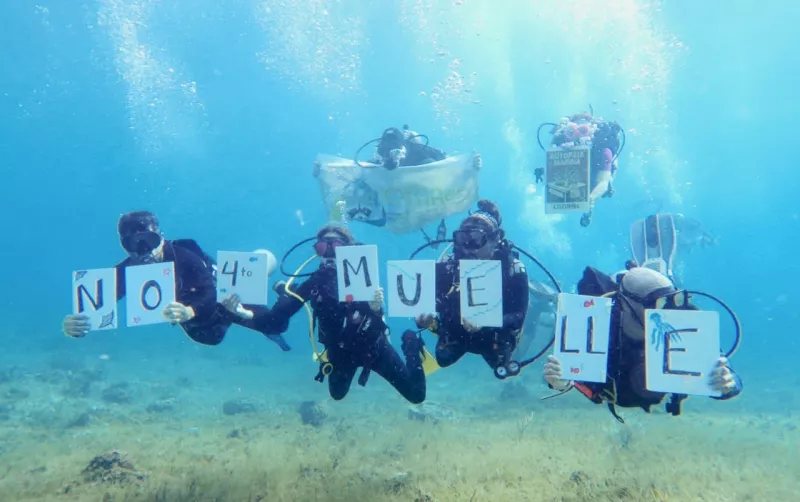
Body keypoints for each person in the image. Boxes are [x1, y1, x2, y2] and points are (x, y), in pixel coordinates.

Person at [223, 224, 427, 404]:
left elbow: (377, 322)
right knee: (337, 394)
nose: (329, 253)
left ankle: (410, 342)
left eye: (336, 246)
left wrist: (375, 308)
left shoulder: (362, 277)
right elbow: (275, 321)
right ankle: (285, 290)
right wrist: (242, 313)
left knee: (416, 395)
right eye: (323, 247)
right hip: (339, 350)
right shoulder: (314, 283)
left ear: (348, 250)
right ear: (317, 251)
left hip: (373, 346)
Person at [61, 211, 291, 351]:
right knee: (208, 336)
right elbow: (98, 302)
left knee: (274, 323)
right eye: (133, 245)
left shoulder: (184, 256)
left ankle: (285, 293)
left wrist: (190, 311)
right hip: (202, 328)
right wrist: (75, 325)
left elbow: (211, 292)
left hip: (223, 297)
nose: (144, 252)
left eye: (148, 241)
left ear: (160, 237)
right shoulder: (128, 269)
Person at [543, 266, 742, 421]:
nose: (667, 311)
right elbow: (579, 378)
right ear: (627, 304)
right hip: (619, 392)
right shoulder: (599, 323)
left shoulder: (681, 318)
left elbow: (721, 368)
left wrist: (727, 384)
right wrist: (562, 382)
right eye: (658, 304)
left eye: (672, 300)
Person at [414, 200, 530, 378]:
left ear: (495, 240)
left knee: (502, 367)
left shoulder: (512, 268)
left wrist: (486, 323)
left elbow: (518, 316)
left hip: (494, 334)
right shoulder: (448, 265)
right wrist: (425, 319)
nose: (468, 248)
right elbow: (431, 301)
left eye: (476, 240)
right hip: (456, 331)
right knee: (443, 359)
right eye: (462, 239)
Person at [540, 111, 624, 227]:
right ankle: (588, 205)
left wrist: (591, 198)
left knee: (593, 195)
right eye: (571, 132)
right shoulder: (562, 145)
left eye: (583, 130)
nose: (578, 136)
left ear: (591, 131)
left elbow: (603, 181)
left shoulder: (603, 150)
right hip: (579, 173)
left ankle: (588, 212)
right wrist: (544, 170)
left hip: (599, 173)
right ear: (566, 133)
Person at [629, 213, 718, 286]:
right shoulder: (640, 244)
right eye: (653, 226)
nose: (656, 229)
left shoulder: (670, 239)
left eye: (656, 225)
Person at [370, 125, 447, 170]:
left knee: (428, 161)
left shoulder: (417, 149)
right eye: (384, 149)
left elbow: (441, 155)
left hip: (418, 162)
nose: (389, 155)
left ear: (403, 147)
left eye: (394, 149)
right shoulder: (380, 155)